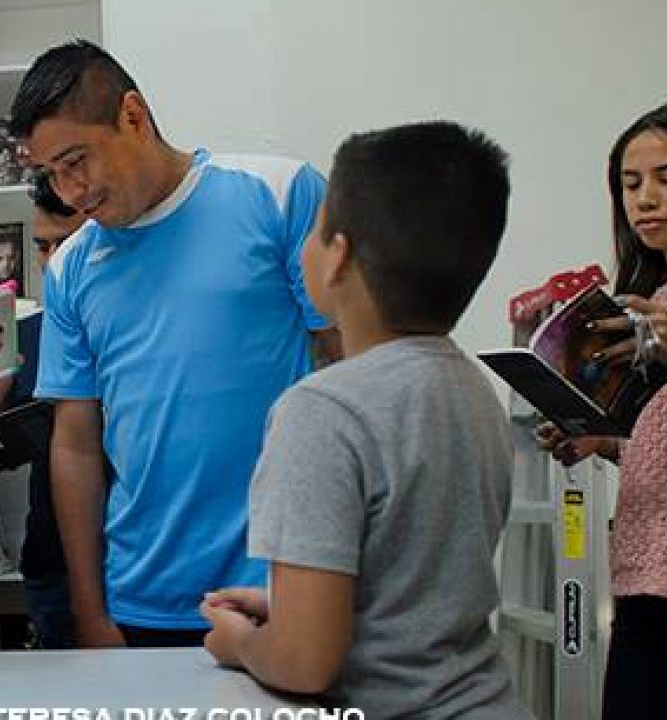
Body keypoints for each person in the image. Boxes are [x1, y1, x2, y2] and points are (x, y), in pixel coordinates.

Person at [9, 40, 339, 648]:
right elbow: (75, 444)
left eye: (76, 160)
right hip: (141, 598)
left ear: (133, 116)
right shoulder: (71, 267)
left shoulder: (279, 193)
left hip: (280, 585)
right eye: (51, 174)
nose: (70, 191)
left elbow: (349, 364)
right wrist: (90, 613)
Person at [201, 121, 529, 718]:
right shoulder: (473, 389)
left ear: (338, 257)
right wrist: (290, 607)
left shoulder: (321, 411)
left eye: (317, 226)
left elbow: (304, 661)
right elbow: (417, 594)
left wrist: (240, 644)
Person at [536, 100, 667, 720]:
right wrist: (600, 440)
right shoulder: (649, 297)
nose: (645, 199)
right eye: (630, 185)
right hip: (641, 569)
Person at [0, 175, 88, 649]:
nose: (52, 261)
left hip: (138, 556)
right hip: (52, 560)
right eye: (42, 246)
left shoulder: (135, 323)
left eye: (66, 244)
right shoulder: (28, 333)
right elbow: (13, 456)